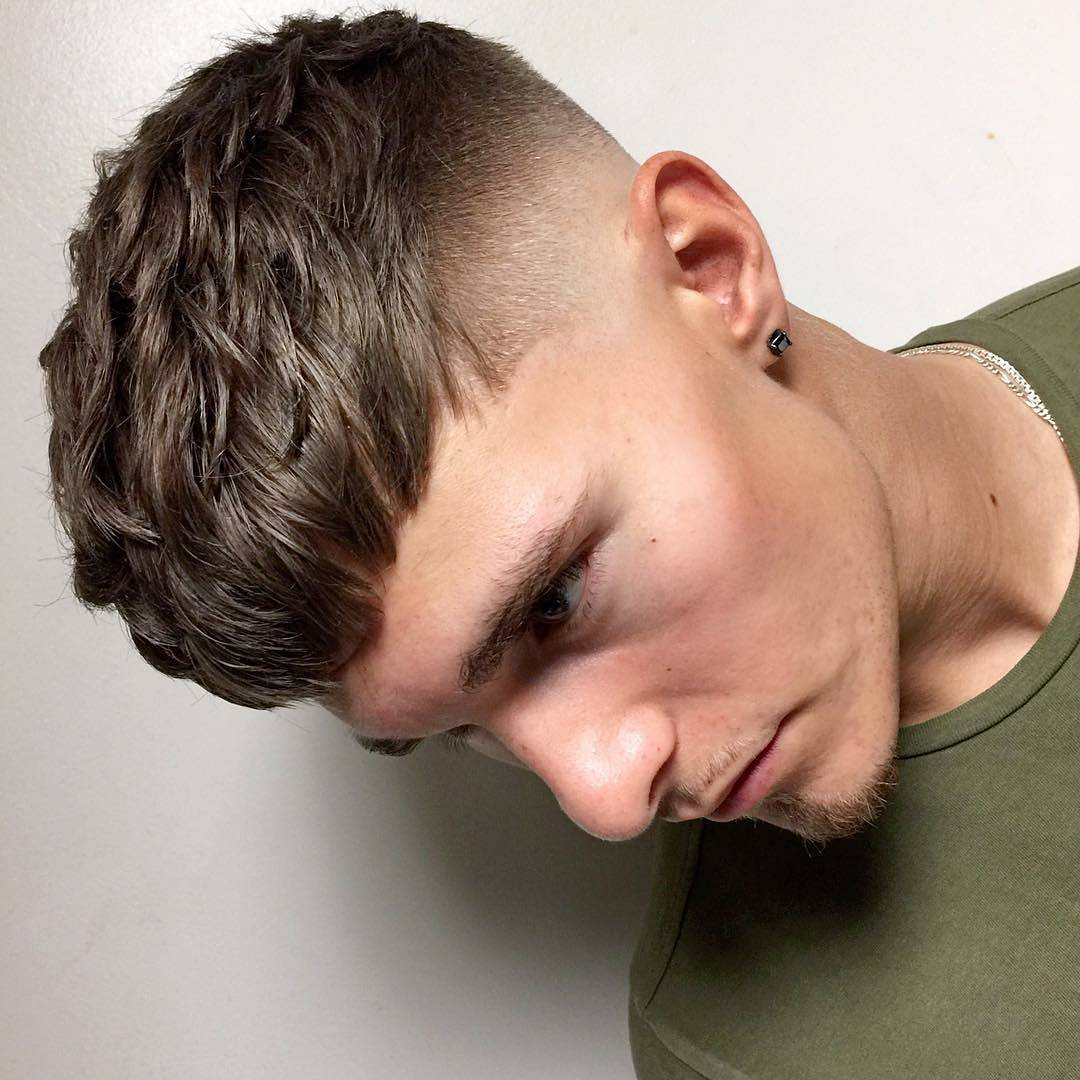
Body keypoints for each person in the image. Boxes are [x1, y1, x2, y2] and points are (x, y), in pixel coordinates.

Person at [37, 10, 1080, 1078]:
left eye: (554, 600)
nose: (605, 801)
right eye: (464, 731)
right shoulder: (737, 1052)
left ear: (711, 268)